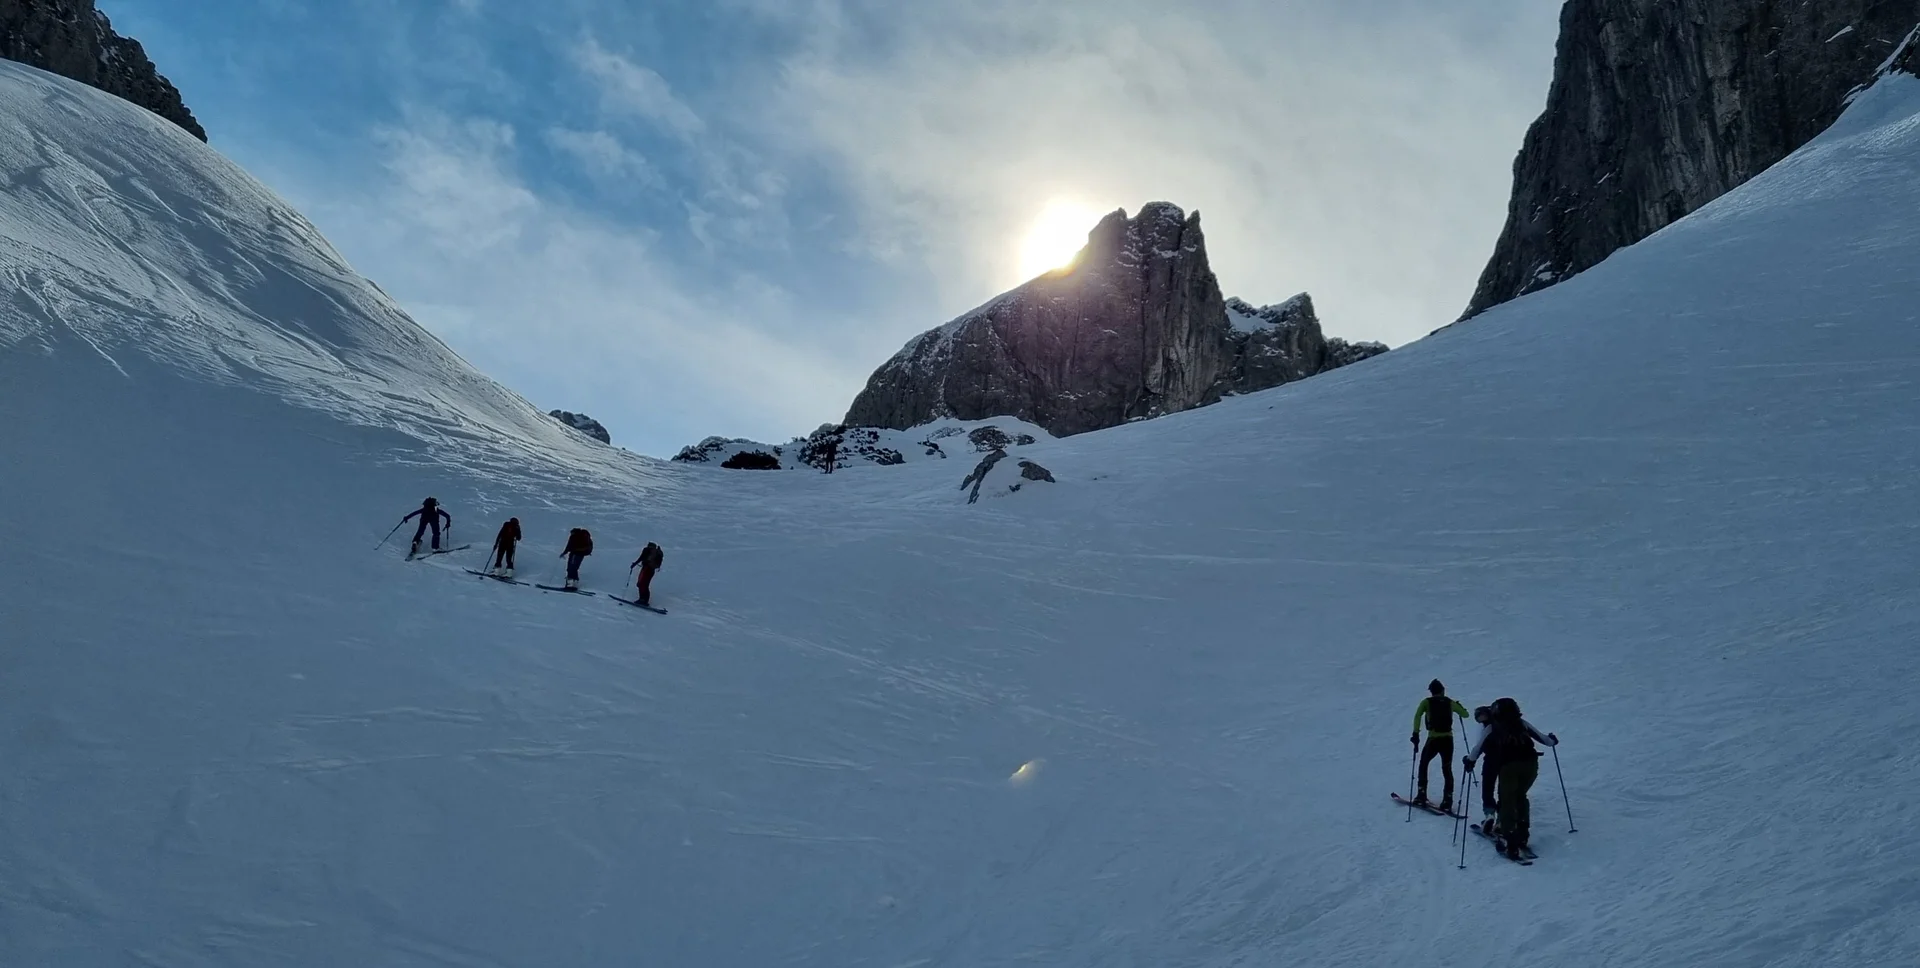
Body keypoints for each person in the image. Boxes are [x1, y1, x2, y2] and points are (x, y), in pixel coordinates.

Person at [1464, 697, 1557, 859]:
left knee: (1507, 800)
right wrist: (1553, 739)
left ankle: (1510, 838)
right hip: (1530, 765)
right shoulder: (1521, 723)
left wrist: (1469, 761)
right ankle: (1522, 834)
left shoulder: (1492, 727)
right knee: (1520, 797)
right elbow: (1545, 740)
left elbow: (1478, 747)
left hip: (1509, 767)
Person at [1410, 679, 1471, 813]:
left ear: (1431, 692)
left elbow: (1417, 716)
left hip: (1433, 739)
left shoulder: (1426, 702)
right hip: (1448, 740)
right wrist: (1460, 707)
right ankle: (1447, 800)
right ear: (1442, 690)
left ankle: (1421, 794)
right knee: (1447, 768)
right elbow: (1465, 715)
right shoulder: (1449, 702)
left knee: (1424, 764)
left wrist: (1416, 734)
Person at [1467, 705, 1498, 828]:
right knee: (1504, 791)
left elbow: (1479, 746)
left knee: (1488, 788)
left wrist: (1470, 760)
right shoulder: (1503, 725)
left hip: (1491, 760)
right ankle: (1502, 820)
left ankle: (1490, 815)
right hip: (1506, 761)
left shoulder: (1489, 727)